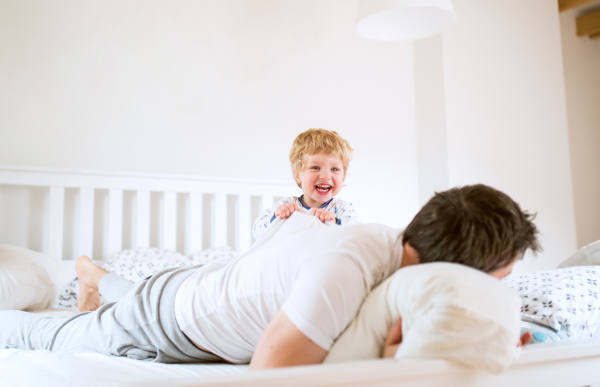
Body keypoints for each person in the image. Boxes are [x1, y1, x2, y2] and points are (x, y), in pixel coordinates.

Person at [0, 184, 540, 370]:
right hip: (167, 321)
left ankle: (95, 273)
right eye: (491, 282)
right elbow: (274, 371)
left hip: (200, 285)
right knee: (45, 333)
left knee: (135, 292)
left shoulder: (398, 255)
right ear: (446, 270)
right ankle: (89, 280)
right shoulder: (347, 265)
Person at [253, 128, 360, 239]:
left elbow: (356, 237)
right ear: (298, 175)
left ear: (343, 175)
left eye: (334, 169)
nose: (326, 176)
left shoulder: (343, 209)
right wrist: (276, 218)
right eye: (315, 167)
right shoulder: (287, 205)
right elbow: (257, 232)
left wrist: (334, 223)